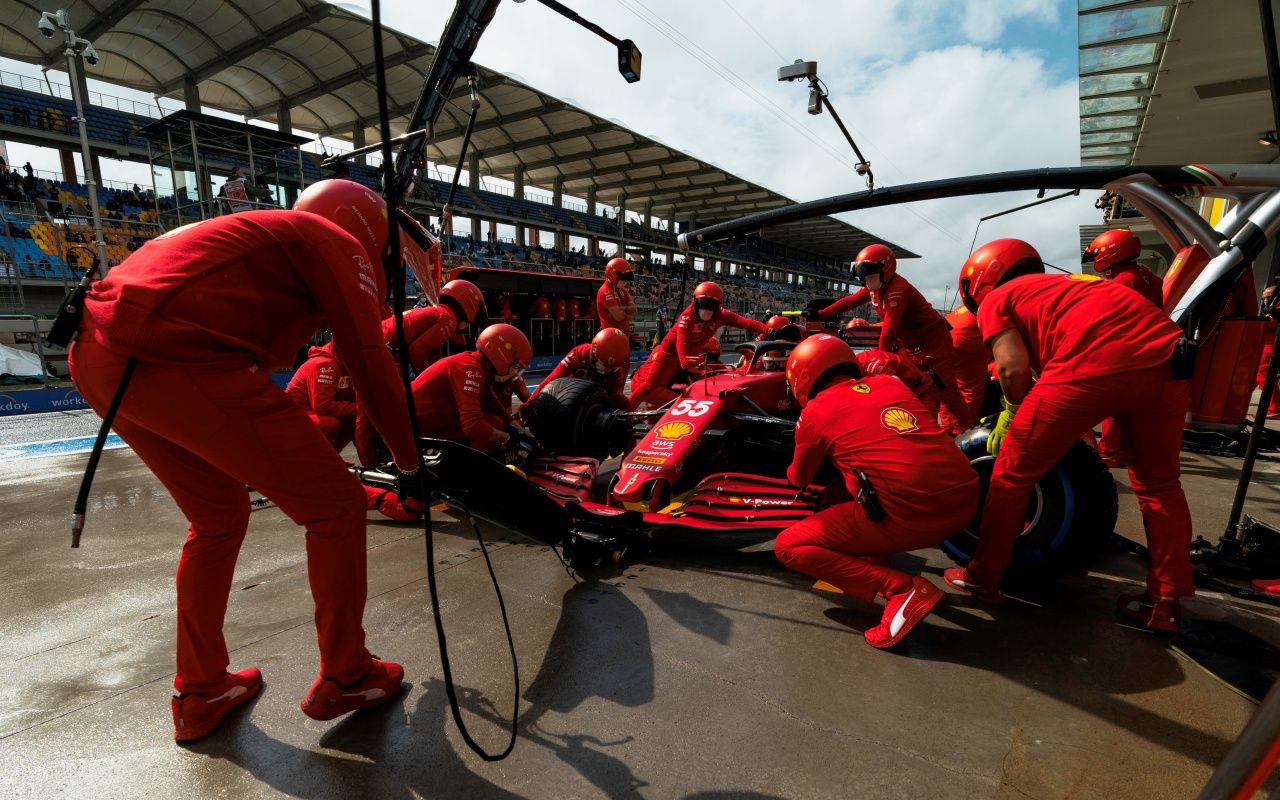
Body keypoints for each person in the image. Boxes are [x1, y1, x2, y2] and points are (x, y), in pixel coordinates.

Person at [69, 178, 419, 742]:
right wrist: (409, 461)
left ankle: (200, 689)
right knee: (335, 506)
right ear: (368, 234)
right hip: (169, 355)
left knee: (217, 519)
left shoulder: (258, 235)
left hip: (97, 357)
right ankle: (347, 674)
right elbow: (369, 362)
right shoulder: (334, 242)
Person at [942, 238, 1194, 632]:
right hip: (1168, 360)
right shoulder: (1075, 286)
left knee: (1011, 474)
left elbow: (1011, 369)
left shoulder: (998, 300)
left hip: (1094, 360)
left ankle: (983, 577)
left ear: (979, 282)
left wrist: (1011, 412)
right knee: (1159, 486)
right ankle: (1165, 603)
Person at [775, 334, 979, 648]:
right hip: (967, 500)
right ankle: (883, 560)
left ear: (803, 377)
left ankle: (901, 590)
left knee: (788, 546)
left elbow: (799, 479)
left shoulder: (814, 413)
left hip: (915, 515)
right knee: (867, 482)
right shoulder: (891, 384)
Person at [816, 244, 968, 434]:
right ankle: (926, 430)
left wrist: (882, 363)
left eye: (870, 277)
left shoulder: (898, 289)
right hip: (911, 344)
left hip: (933, 343)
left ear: (885, 270)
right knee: (914, 386)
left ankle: (962, 429)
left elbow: (889, 330)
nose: (867, 282)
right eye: (864, 278)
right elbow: (848, 302)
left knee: (944, 390)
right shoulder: (875, 286)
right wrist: (820, 314)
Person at [358, 323, 531, 461]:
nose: (515, 373)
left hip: (428, 423)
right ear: (502, 356)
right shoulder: (469, 368)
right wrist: (508, 438)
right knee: (494, 425)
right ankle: (466, 474)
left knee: (496, 421)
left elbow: (497, 409)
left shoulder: (477, 367)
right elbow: (472, 425)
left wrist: (524, 435)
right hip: (413, 429)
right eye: (515, 366)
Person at [1086, 229, 1165, 466]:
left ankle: (1109, 451)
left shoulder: (1123, 281)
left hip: (1126, 349)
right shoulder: (1146, 275)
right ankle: (1124, 449)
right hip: (1148, 349)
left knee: (1113, 403)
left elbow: (1113, 317)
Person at [629, 281, 768, 408]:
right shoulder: (687, 316)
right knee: (649, 386)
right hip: (670, 356)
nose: (706, 308)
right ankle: (625, 411)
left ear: (718, 306)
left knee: (681, 392)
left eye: (711, 305)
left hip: (689, 359)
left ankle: (654, 414)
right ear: (695, 301)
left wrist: (767, 330)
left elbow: (744, 322)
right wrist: (686, 365)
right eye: (703, 303)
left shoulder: (722, 315)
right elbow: (681, 342)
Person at [382, 279, 484, 375]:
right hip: (383, 351)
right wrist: (425, 378)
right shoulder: (449, 319)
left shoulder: (440, 312)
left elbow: (434, 355)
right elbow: (417, 351)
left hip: (381, 343)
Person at [527, 327, 631, 410]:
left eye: (612, 368)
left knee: (624, 405)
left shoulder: (617, 366)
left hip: (594, 401)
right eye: (604, 365)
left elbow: (614, 395)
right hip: (568, 397)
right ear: (594, 351)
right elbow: (553, 378)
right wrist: (530, 402)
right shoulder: (579, 354)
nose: (607, 370)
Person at [285, 342, 357, 452]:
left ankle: (332, 455)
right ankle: (323, 457)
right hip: (294, 414)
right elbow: (322, 406)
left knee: (356, 418)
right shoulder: (324, 364)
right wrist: (360, 409)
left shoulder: (345, 365)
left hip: (309, 412)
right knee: (330, 424)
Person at [937, 305, 990, 433]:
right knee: (969, 391)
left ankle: (947, 430)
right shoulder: (992, 303)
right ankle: (962, 432)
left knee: (948, 389)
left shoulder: (970, 302)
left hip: (944, 339)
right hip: (965, 343)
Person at [855, 348, 943, 417]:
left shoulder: (871, 364)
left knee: (925, 433)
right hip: (913, 390)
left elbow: (897, 389)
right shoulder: (859, 362)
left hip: (923, 391)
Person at [597, 257, 638, 333]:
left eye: (626, 279)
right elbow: (619, 316)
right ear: (613, 275)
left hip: (623, 334)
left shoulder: (622, 290)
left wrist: (621, 308)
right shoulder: (605, 291)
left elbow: (634, 310)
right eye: (623, 279)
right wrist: (627, 312)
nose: (625, 282)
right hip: (610, 336)